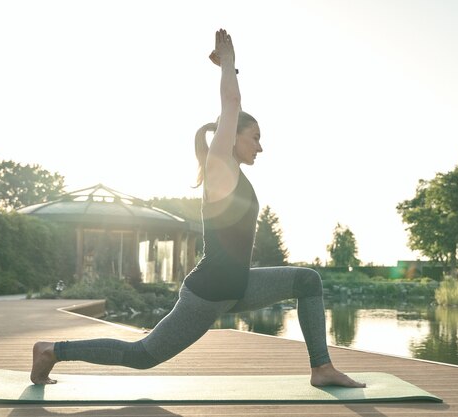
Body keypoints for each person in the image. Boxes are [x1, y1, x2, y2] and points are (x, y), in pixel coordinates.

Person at [30, 29, 365, 388]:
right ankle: (51, 350)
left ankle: (321, 368)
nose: (260, 147)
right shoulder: (220, 170)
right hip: (208, 292)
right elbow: (231, 104)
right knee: (143, 356)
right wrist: (229, 64)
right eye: (255, 137)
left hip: (237, 286)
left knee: (307, 280)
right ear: (232, 136)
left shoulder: (233, 173)